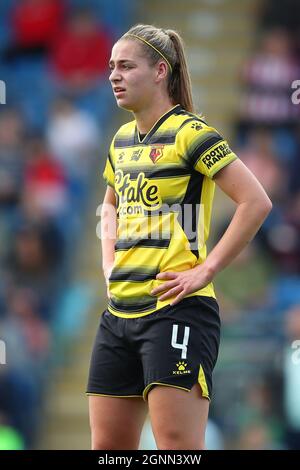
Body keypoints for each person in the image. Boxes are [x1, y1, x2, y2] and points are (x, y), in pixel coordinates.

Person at [86, 24, 272, 450]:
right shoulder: (119, 141)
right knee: (108, 449)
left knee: (176, 448)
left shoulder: (192, 133)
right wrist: (108, 262)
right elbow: (110, 204)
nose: (114, 75)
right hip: (119, 314)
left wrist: (206, 268)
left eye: (126, 66)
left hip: (177, 311)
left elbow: (255, 202)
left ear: (159, 71)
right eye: (111, 67)